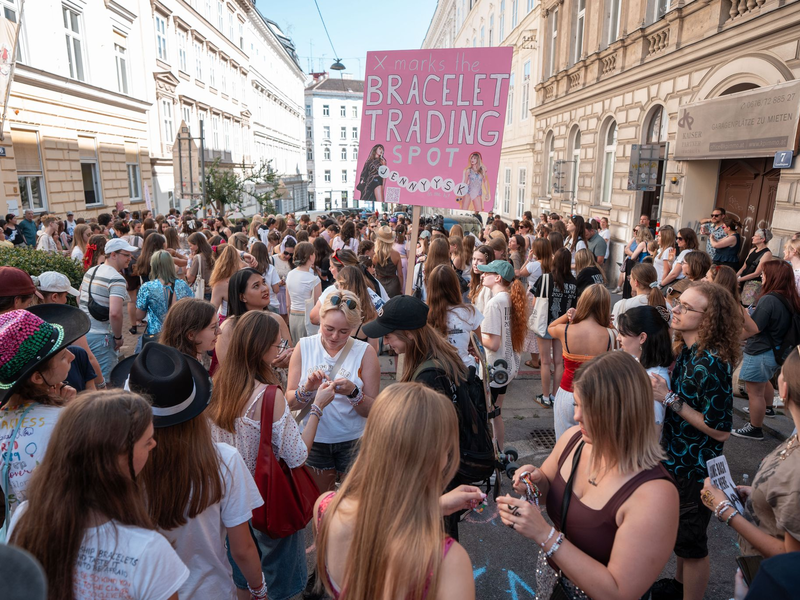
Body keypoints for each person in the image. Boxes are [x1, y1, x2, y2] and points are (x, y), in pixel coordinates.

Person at [499, 352, 678, 599]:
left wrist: (545, 534)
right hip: (555, 584)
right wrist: (534, 482)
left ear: (623, 412)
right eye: (577, 405)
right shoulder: (574, 440)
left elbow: (619, 592)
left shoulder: (655, 495)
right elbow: (547, 492)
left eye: (589, 409)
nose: (576, 417)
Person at [111, 344, 267, 600]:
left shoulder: (116, 464)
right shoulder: (225, 460)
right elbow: (242, 549)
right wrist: (259, 590)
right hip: (211, 591)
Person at [8, 389, 190, 599]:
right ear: (116, 459)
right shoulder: (149, 550)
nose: (154, 444)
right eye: (147, 442)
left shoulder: (25, 516)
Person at [313, 383, 478, 600]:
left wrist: (434, 507)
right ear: (434, 457)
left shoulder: (326, 508)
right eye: (446, 449)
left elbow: (375, 527)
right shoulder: (446, 561)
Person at [210, 310, 334, 599]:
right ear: (261, 348)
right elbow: (298, 455)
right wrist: (317, 407)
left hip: (231, 499)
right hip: (269, 500)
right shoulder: (267, 394)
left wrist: (303, 392)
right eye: (279, 345)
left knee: (242, 571)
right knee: (283, 581)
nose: (283, 350)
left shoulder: (218, 384)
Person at [650, 283, 742, 600]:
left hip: (694, 467)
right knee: (682, 537)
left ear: (709, 319)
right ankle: (678, 586)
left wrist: (670, 398)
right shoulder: (689, 351)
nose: (676, 309)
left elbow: (720, 430)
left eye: (687, 307)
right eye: (678, 302)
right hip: (676, 460)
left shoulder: (713, 363)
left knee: (693, 546)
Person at [702, 346, 800, 564]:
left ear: (783, 390)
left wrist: (725, 511)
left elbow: (791, 558)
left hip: (773, 580)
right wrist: (758, 495)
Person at [286, 291, 381, 492]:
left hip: (354, 440)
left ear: (355, 328)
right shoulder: (304, 347)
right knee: (321, 505)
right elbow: (289, 402)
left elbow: (373, 409)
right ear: (319, 320)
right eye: (328, 329)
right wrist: (307, 389)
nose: (335, 337)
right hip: (315, 440)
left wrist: (354, 392)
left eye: (344, 331)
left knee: (353, 505)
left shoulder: (365, 352)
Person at [0, 307, 88, 519]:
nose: (71, 357)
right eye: (61, 356)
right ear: (38, 378)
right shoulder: (65, 424)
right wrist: (69, 413)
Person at [734, 260, 800, 440]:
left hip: (761, 351)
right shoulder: (789, 297)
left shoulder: (769, 299)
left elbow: (754, 328)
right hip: (774, 351)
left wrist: (742, 312)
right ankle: (768, 408)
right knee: (763, 383)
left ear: (773, 276)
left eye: (764, 273)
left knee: (754, 393)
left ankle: (755, 428)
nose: (761, 276)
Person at [548, 284, 616, 439]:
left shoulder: (565, 330)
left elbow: (550, 328)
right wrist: (609, 323)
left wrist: (569, 315)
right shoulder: (611, 334)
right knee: (594, 445)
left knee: (564, 443)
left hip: (567, 392)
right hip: (596, 395)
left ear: (582, 303)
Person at [477, 259, 527, 449]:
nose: (482, 275)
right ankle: (499, 450)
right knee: (496, 412)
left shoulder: (493, 304)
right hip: (507, 367)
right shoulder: (509, 299)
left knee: (487, 413)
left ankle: (489, 452)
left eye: (486, 273)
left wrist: (474, 340)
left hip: (493, 369)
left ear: (497, 278)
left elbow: (493, 342)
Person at [78, 237, 138, 380]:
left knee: (90, 380)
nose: (130, 258)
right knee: (106, 383)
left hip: (84, 333)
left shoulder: (92, 271)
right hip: (102, 337)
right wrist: (118, 337)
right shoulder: (116, 278)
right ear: (113, 254)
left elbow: (79, 297)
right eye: (126, 255)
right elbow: (115, 313)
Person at [531, 247, 577, 407]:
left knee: (544, 362)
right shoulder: (574, 282)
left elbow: (534, 302)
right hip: (563, 326)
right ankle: (556, 396)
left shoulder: (545, 279)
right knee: (559, 362)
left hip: (545, 324)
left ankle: (544, 396)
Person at [617, 305, 674, 431]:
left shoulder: (655, 381)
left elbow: (652, 435)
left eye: (622, 333)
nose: (618, 338)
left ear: (642, 338)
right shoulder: (639, 364)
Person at [426, 264, 483, 371]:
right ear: (455, 286)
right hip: (464, 370)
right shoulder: (470, 311)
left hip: (436, 371)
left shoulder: (425, 313)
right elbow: (478, 346)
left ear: (431, 288)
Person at [135, 250, 193, 347]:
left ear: (153, 266)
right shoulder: (183, 285)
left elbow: (139, 315)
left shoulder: (147, 287)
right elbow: (191, 310)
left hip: (156, 336)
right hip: (179, 335)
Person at [705, 265, 759, 340]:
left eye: (707, 277)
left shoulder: (706, 302)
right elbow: (753, 330)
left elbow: (753, 330)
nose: (702, 280)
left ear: (717, 281)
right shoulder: (736, 305)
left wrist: (730, 341)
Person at [286, 241, 321, 343]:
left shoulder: (290, 274)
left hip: (293, 316)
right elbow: (317, 305)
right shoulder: (314, 279)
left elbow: (288, 303)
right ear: (311, 256)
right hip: (307, 319)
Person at [737, 228, 773, 305]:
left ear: (762, 239)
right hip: (742, 281)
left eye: (755, 236)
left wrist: (738, 280)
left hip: (753, 284)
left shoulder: (767, 254)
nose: (752, 237)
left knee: (746, 306)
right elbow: (744, 266)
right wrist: (735, 276)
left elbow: (757, 273)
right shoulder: (752, 250)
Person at [373, 225, 404, 297]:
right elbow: (400, 274)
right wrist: (401, 288)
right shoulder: (396, 254)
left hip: (379, 284)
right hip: (393, 285)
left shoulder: (375, 254)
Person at [187, 231, 214, 301]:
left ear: (197, 244)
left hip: (202, 291)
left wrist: (189, 262)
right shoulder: (211, 254)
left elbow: (190, 278)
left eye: (191, 245)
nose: (190, 248)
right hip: (213, 290)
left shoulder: (198, 257)